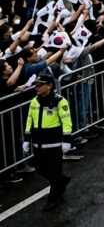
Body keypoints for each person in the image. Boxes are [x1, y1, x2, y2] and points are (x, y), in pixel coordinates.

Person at [22, 73, 72, 211]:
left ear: (49, 86)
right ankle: (60, 181)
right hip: (38, 143)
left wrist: (67, 140)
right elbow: (29, 120)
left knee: (55, 170)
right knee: (40, 168)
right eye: (36, 85)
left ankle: (53, 198)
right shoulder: (35, 101)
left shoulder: (59, 101)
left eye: (40, 85)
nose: (37, 88)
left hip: (54, 144)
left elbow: (66, 121)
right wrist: (27, 138)